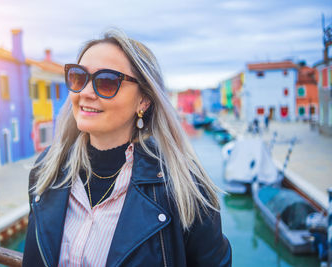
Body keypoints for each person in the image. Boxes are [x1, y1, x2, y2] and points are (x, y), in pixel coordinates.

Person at [23, 29, 231, 267]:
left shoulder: (185, 187)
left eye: (107, 82)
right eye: (79, 77)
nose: (86, 93)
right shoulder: (47, 171)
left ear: (143, 100)